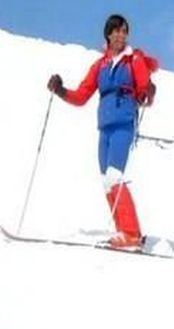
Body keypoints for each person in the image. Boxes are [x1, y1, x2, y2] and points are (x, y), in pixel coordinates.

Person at [46, 14, 158, 248]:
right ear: (108, 34)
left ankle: (131, 233)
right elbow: (81, 96)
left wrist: (146, 92)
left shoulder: (133, 59)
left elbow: (144, 86)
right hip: (105, 126)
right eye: (116, 31)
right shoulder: (100, 65)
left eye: (124, 31)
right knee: (108, 181)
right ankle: (124, 232)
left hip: (124, 122)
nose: (121, 35)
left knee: (115, 175)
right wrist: (61, 90)